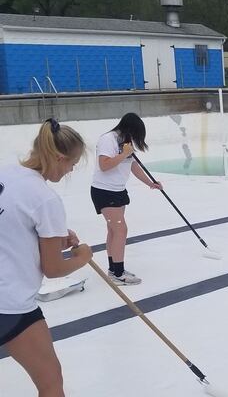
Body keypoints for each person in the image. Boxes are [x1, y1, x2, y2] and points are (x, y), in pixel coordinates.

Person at [0, 119, 93, 397]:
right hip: (10, 305)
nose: (70, 171)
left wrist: (49, 235)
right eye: (71, 164)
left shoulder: (4, 173)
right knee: (51, 384)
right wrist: (83, 257)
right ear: (58, 157)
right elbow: (52, 269)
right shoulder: (45, 199)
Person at [90, 113, 161, 285]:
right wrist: (124, 154)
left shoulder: (125, 141)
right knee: (121, 230)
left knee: (114, 231)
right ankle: (118, 273)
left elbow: (134, 166)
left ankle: (114, 269)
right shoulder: (108, 139)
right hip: (104, 191)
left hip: (118, 191)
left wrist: (150, 183)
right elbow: (104, 165)